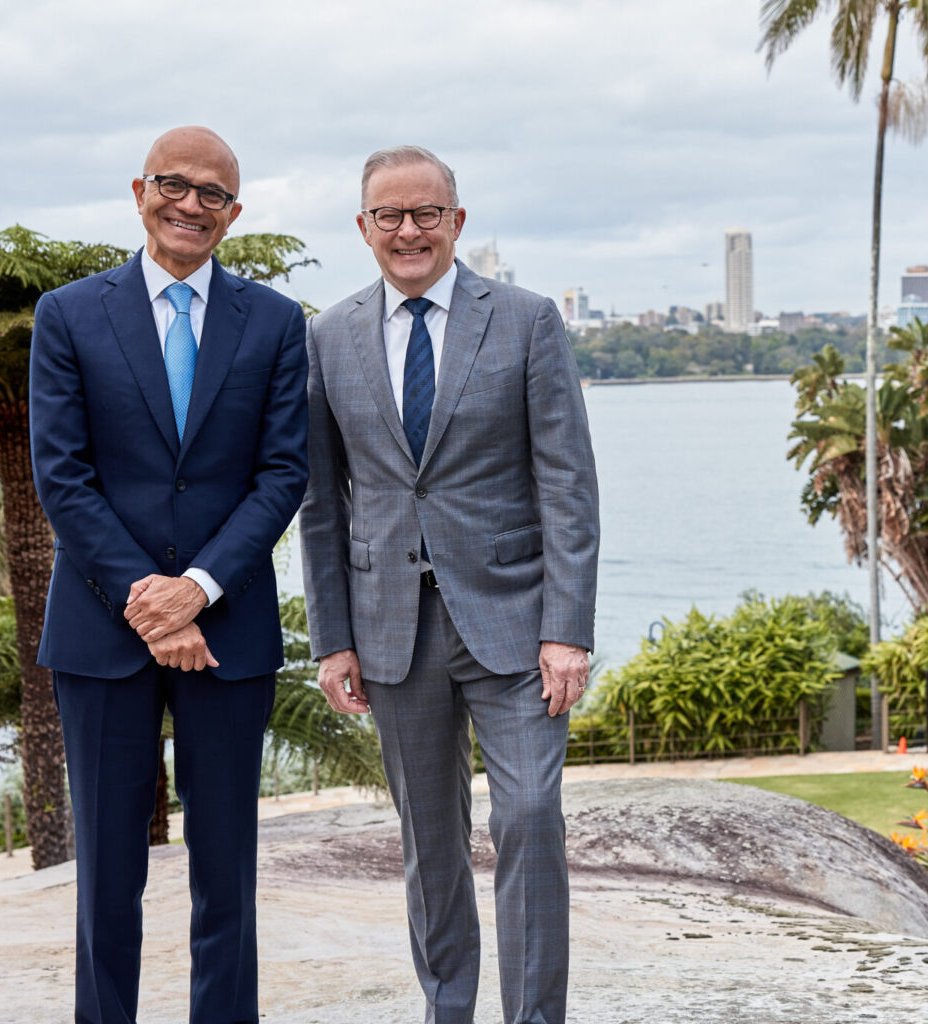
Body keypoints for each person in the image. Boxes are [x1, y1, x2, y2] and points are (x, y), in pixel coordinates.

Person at [297, 145, 599, 1024]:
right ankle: (448, 1010)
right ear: (363, 230)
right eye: (389, 215)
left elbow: (568, 488)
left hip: (515, 625)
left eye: (427, 213)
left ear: (456, 223)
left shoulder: (527, 320)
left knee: (531, 818)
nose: (408, 231)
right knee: (430, 844)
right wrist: (333, 638)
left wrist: (568, 630)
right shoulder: (328, 336)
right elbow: (323, 502)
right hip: (390, 629)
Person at [29, 125, 308, 1024]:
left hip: (227, 631)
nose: (191, 205)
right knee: (107, 874)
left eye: (213, 194)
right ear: (139, 189)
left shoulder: (272, 321)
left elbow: (282, 474)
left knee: (226, 870)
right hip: (100, 630)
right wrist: (151, 602)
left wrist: (199, 589)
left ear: (235, 212)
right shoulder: (69, 315)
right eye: (174, 185)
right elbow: (60, 475)